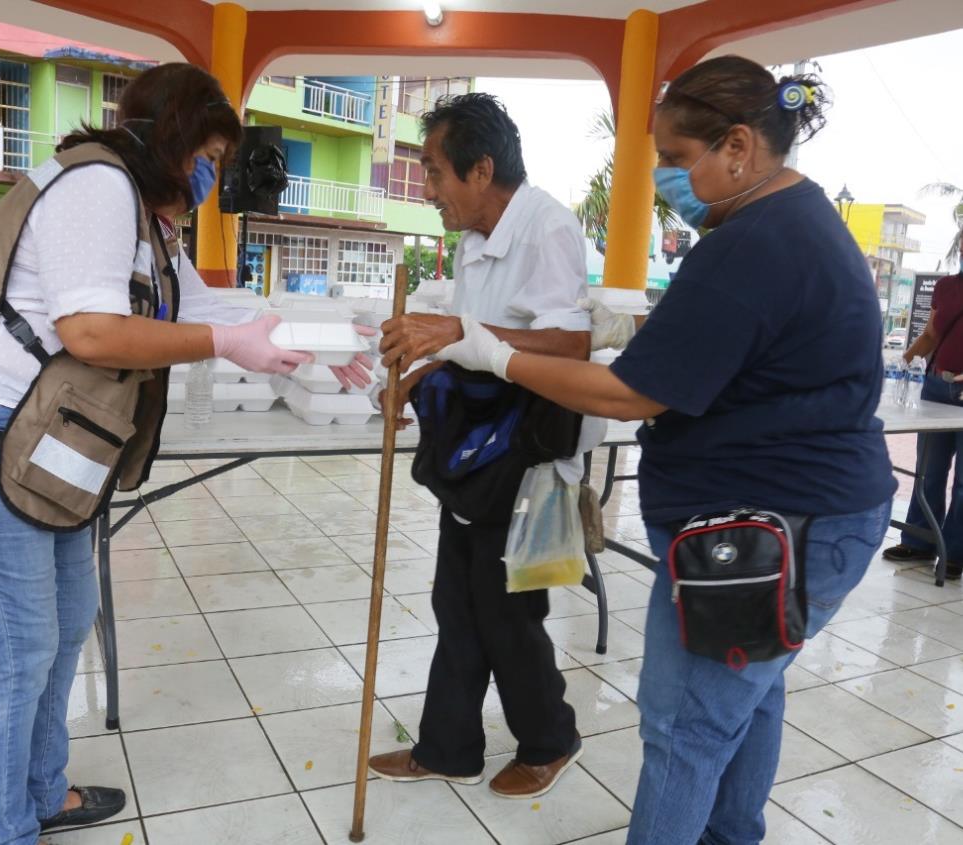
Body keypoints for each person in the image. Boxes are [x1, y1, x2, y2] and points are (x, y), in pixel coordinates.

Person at [425, 56, 896, 844]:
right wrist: (632, 330)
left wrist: (492, 353)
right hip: (802, 507)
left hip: (771, 527)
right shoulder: (788, 222)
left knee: (684, 728)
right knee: (747, 699)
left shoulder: (754, 242)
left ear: (739, 147)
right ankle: (727, 835)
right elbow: (725, 346)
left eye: (678, 161)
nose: (671, 181)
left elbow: (630, 395)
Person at [0, 63, 325, 845]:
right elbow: (90, 329)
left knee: (67, 618)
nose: (210, 179)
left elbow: (203, 304)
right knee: (15, 649)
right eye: (208, 159)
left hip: (36, 450)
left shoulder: (148, 222)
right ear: (175, 139)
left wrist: (303, 337)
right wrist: (229, 344)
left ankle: (42, 792)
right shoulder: (97, 186)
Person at [372, 92, 601, 799]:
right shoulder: (474, 240)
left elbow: (569, 344)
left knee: (507, 608)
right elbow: (478, 339)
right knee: (455, 598)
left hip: (529, 446)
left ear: (480, 169)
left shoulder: (546, 229)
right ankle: (448, 746)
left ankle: (549, 737)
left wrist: (454, 338)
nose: (429, 191)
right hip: (475, 443)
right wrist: (424, 372)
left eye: (436, 173)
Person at [881, 271, 963, 580]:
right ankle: (918, 541)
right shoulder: (945, 287)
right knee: (928, 470)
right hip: (937, 387)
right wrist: (900, 363)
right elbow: (931, 334)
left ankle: (954, 553)